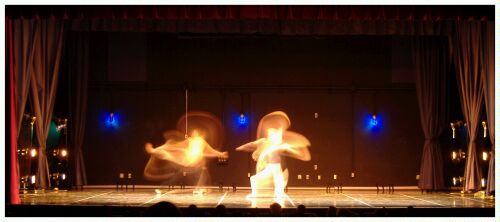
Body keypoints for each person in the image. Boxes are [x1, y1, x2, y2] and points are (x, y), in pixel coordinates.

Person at [236, 111, 311, 199]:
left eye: (273, 133)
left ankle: (279, 194)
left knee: (278, 181)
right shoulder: (264, 142)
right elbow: (252, 144)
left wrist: (298, 152)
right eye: (270, 133)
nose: (271, 134)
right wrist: (241, 147)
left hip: (276, 167)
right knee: (254, 179)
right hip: (270, 167)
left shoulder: (279, 144)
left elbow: (293, 149)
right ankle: (255, 194)